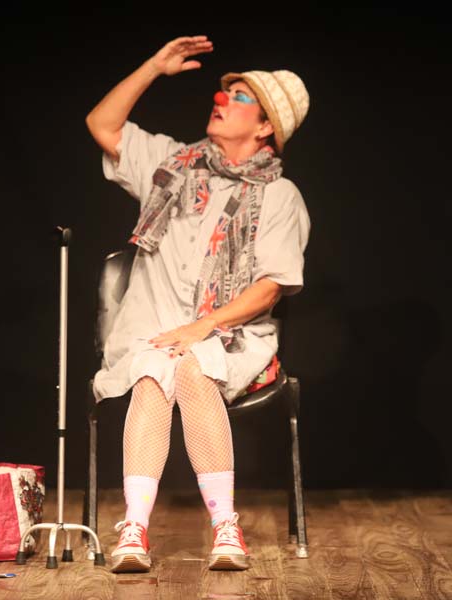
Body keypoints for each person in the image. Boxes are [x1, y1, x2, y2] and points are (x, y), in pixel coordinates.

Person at [85, 35, 311, 573]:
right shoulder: (172, 165)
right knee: (152, 370)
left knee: (191, 366)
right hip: (150, 330)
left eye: (240, 97)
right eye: (225, 91)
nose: (221, 98)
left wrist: (200, 328)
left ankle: (225, 526)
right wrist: (153, 67)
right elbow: (103, 125)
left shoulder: (279, 196)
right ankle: (134, 530)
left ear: (266, 128)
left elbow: (271, 287)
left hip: (231, 337)